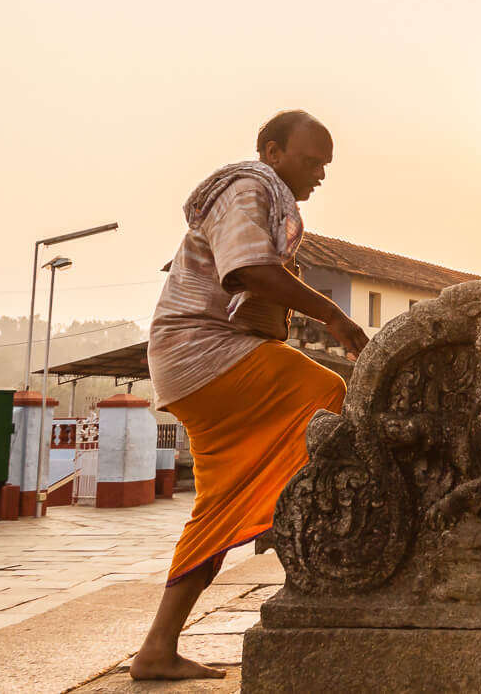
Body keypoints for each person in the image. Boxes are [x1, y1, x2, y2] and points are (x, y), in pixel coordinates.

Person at [131, 109, 368, 682]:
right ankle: (291, 520)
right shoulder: (247, 188)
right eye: (310, 161)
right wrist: (336, 318)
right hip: (205, 352)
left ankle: (157, 649)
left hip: (192, 364)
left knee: (217, 507)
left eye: (325, 167)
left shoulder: (267, 197)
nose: (318, 175)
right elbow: (250, 270)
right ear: (272, 151)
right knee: (325, 391)